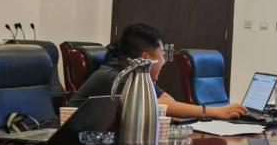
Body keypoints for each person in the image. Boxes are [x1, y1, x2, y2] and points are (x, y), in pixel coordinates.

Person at [69, 22, 247, 120]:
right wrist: (216, 112)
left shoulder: (136, 73)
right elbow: (160, 105)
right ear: (146, 58)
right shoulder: (115, 76)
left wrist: (167, 106)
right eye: (162, 55)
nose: (164, 60)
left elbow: (167, 102)